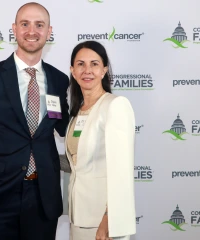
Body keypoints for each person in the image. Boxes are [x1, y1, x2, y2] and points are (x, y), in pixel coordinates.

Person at [0, 2, 69, 239]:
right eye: (25, 24)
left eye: (39, 25)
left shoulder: (59, 80)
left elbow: (65, 127)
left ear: (49, 32)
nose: (32, 31)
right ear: (14, 29)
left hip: (43, 196)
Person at [62, 41, 136, 240]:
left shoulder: (115, 106)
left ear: (104, 70)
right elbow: (78, 162)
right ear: (72, 70)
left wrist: (108, 220)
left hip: (103, 224)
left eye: (94, 64)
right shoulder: (77, 113)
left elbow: (121, 170)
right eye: (80, 64)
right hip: (78, 217)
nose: (87, 70)